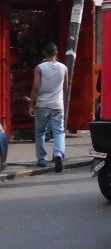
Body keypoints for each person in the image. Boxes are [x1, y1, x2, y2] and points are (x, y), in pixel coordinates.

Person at [28, 42, 68, 172]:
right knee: (58, 131)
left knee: (40, 132)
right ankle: (58, 154)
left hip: (42, 105)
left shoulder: (39, 68)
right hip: (57, 105)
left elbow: (35, 87)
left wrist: (31, 105)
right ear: (57, 54)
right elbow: (66, 86)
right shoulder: (64, 68)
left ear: (44, 53)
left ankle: (42, 158)